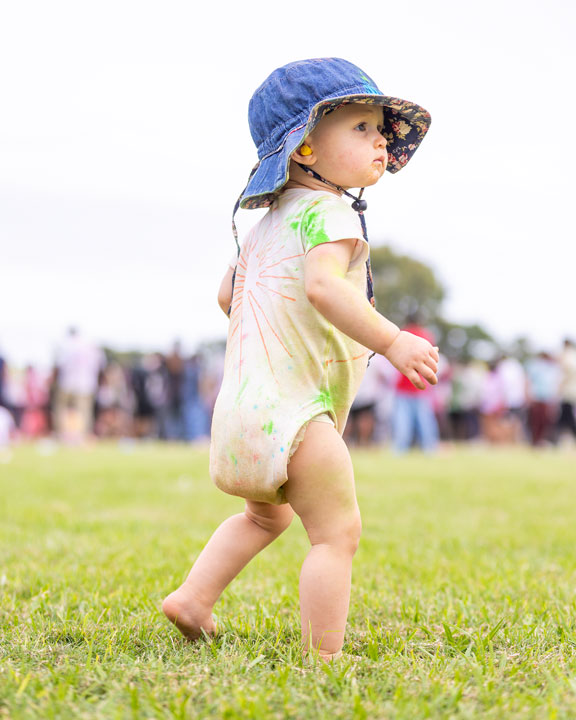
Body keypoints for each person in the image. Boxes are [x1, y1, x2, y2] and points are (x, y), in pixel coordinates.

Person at [162, 58, 438, 662]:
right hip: (297, 412)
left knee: (264, 519)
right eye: (362, 128)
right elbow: (324, 287)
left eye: (380, 129)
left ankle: (193, 599)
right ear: (306, 149)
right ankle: (325, 659)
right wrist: (392, 340)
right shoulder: (332, 214)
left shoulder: (263, 225)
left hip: (245, 407)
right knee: (336, 534)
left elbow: (225, 294)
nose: (381, 140)